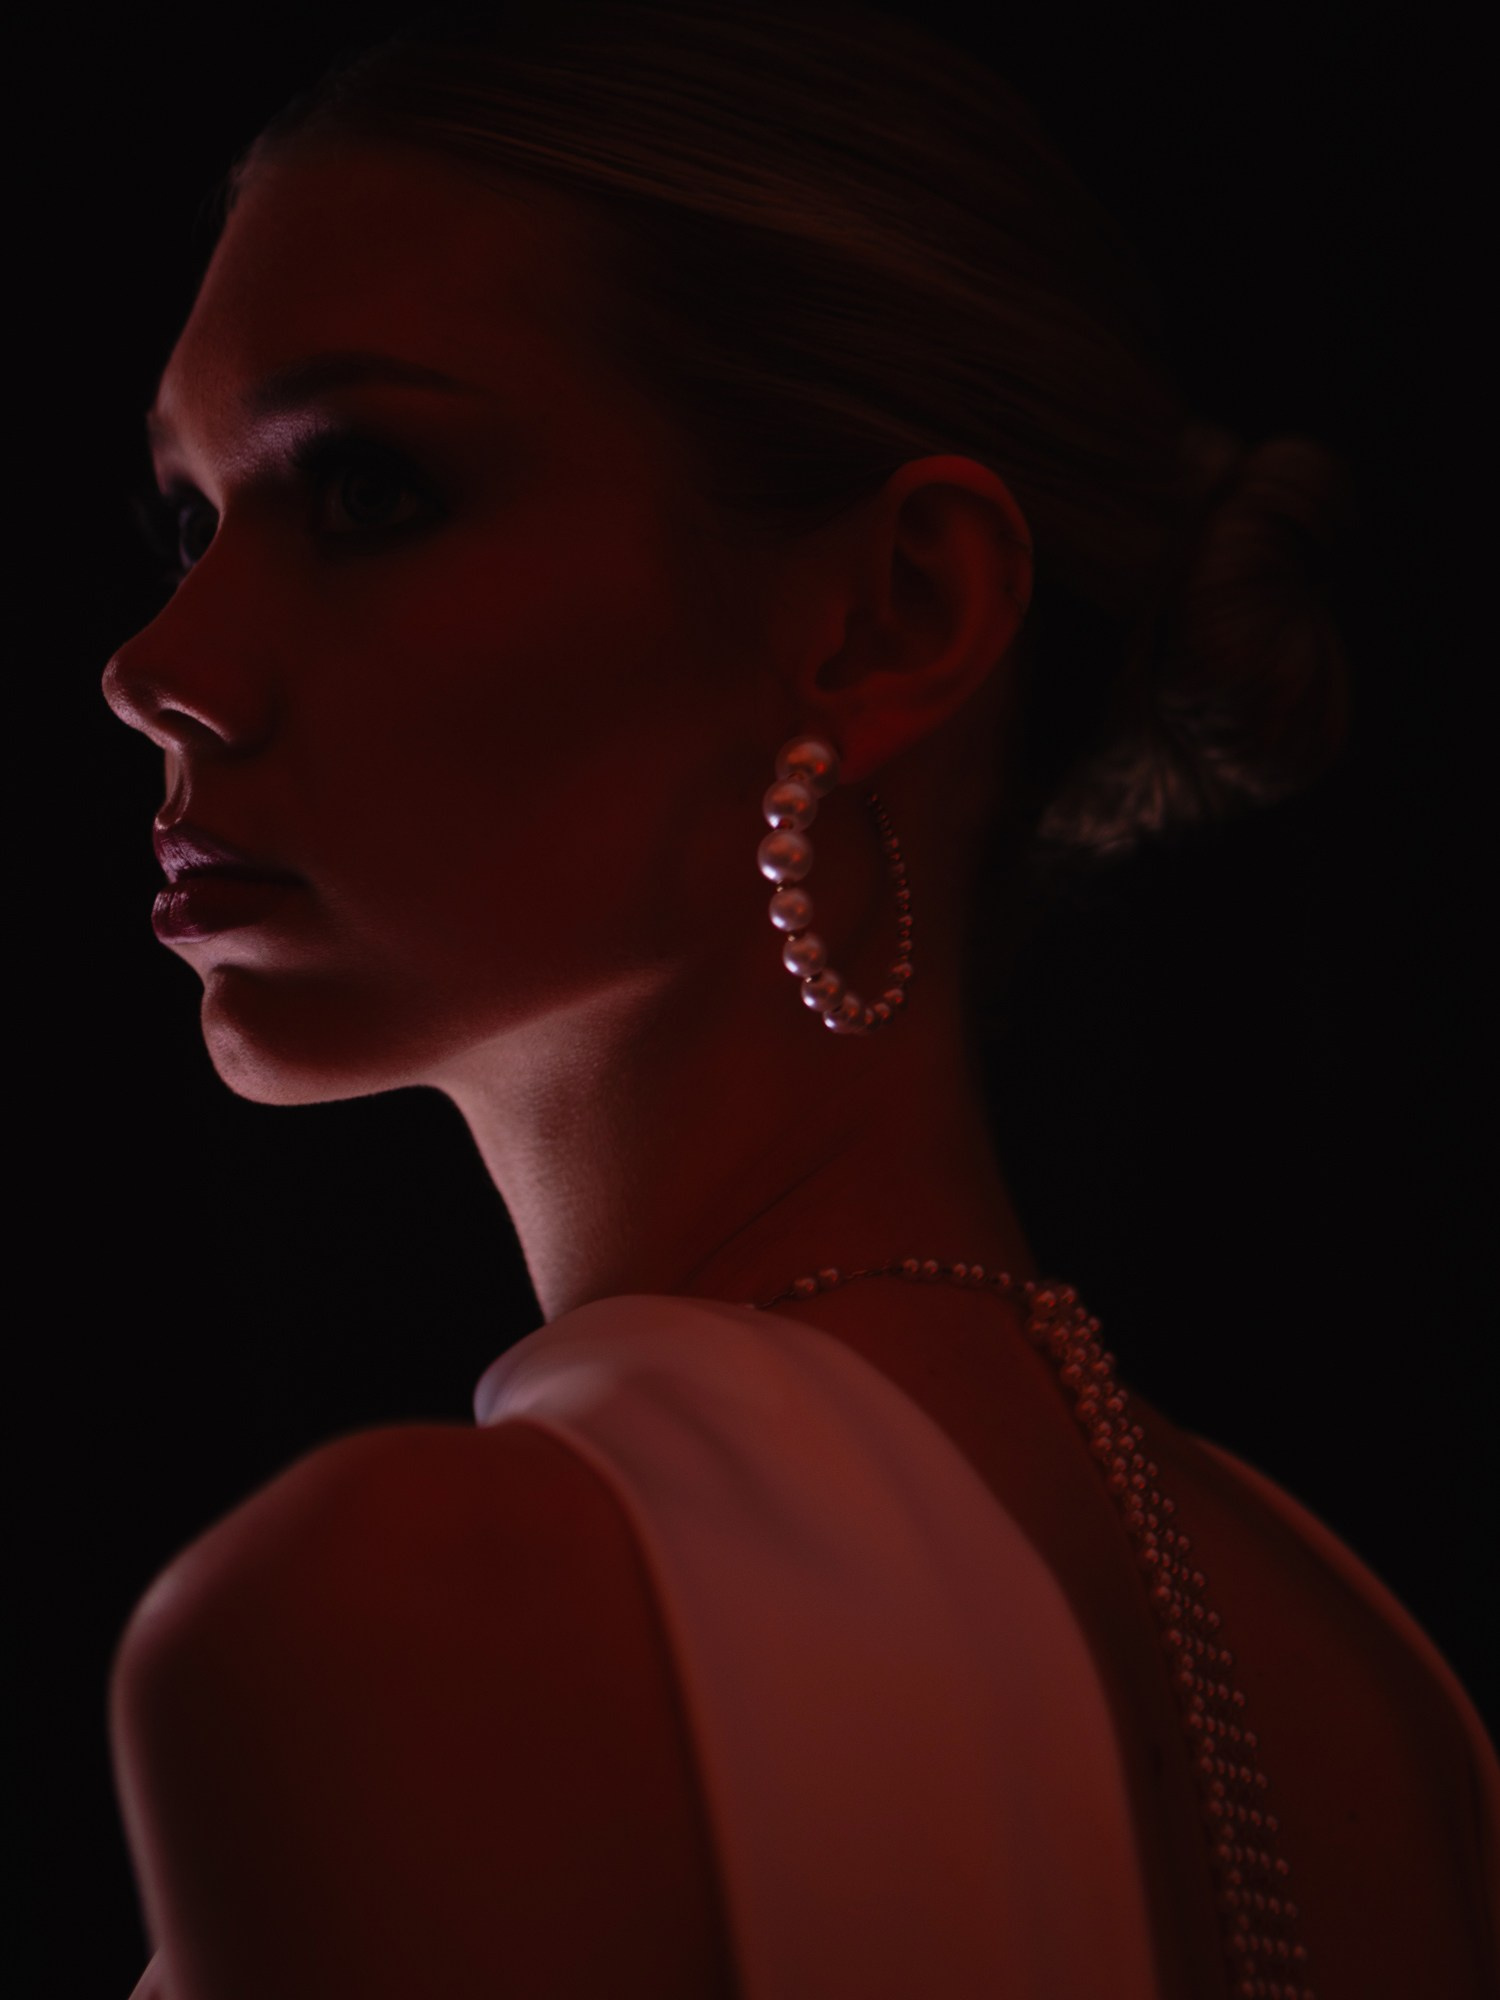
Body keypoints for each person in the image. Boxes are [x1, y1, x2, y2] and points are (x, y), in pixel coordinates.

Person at [102, 3, 1498, 1996]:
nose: (157, 667)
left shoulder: (405, 1613)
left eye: (370, 490)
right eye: (189, 518)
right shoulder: (1374, 1684)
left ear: (893, 611)